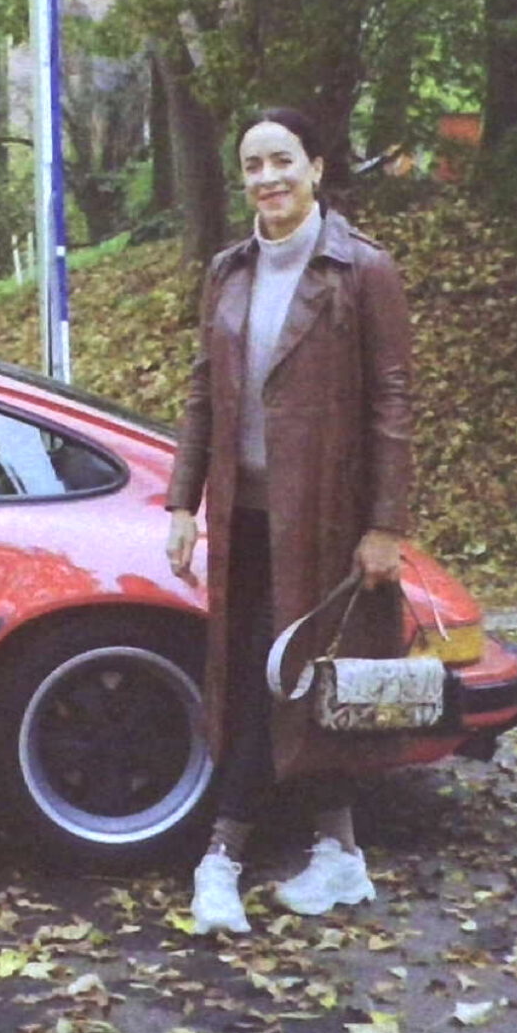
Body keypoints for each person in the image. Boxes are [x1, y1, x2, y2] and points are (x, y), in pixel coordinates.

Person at [165, 105, 416, 935]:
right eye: (252, 166)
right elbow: (205, 390)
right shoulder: (228, 271)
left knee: (273, 679)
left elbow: (391, 401)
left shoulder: (361, 271)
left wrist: (385, 524)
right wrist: (181, 502)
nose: (267, 178)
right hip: (245, 515)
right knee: (275, 673)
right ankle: (340, 856)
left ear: (315, 167)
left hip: (327, 519)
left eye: (282, 160)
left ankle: (221, 860)